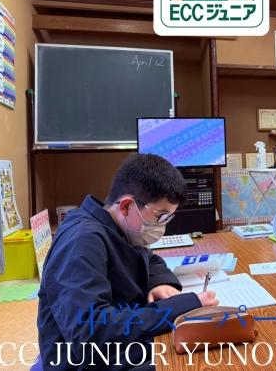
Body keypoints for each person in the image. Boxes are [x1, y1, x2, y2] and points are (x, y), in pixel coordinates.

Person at [36, 154, 218, 370]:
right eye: (161, 216)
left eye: (169, 217)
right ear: (126, 206)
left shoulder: (119, 227)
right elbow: (91, 332)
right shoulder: (81, 241)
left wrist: (159, 283)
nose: (163, 225)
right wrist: (180, 306)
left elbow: (150, 259)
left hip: (118, 346)